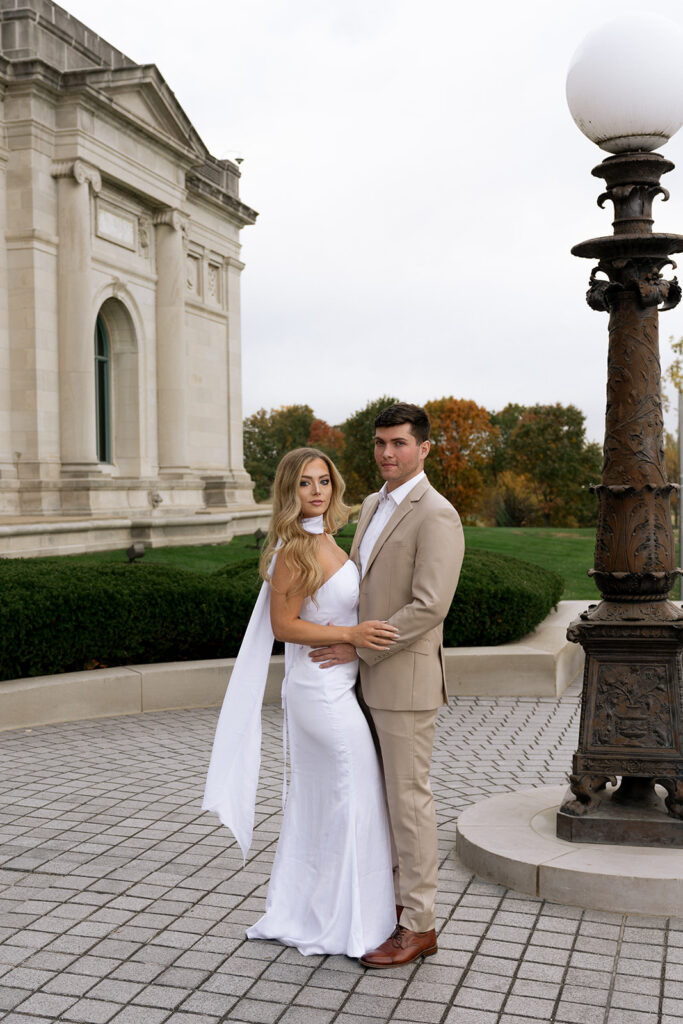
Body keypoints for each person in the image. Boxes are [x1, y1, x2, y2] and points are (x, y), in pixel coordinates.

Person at [203, 447, 398, 957]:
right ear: (289, 492)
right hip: (318, 692)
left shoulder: (331, 540)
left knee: (337, 800)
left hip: (339, 686)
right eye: (305, 483)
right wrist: (351, 633)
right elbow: (283, 626)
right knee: (351, 795)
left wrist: (350, 638)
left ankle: (337, 910)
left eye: (324, 481)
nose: (317, 491)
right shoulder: (293, 550)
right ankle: (343, 921)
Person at [309, 403, 464, 968]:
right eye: (379, 443)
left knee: (408, 803)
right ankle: (388, 906)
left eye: (398, 443)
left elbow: (428, 606)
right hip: (360, 679)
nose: (386, 453)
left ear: (423, 449)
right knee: (378, 801)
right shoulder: (373, 503)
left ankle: (419, 925)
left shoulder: (438, 515)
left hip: (405, 683)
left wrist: (357, 644)